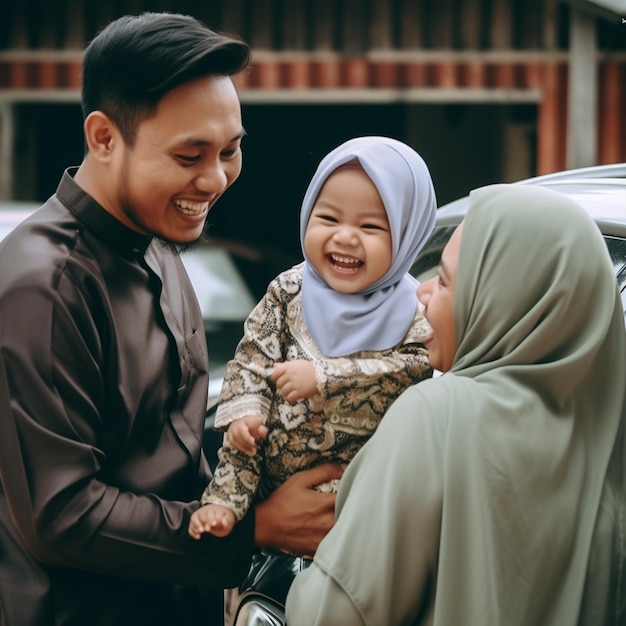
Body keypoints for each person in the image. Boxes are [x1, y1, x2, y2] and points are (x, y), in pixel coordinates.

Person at [0, 12, 342, 626]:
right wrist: (254, 529)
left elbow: (174, 456)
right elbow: (62, 515)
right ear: (104, 138)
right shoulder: (43, 288)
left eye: (231, 150)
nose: (215, 179)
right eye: (190, 154)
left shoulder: (160, 248)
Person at [285, 183, 626, 625]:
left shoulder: (435, 416)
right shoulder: (606, 458)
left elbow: (331, 615)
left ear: (500, 304)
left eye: (444, 280)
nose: (421, 292)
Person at [188, 136, 437, 540]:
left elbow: (415, 369)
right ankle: (225, 503)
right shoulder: (288, 290)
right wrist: (244, 413)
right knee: (243, 444)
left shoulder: (416, 310)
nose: (344, 237)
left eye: (370, 226)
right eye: (328, 219)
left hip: (362, 492)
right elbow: (252, 356)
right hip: (273, 482)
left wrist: (322, 376)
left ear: (408, 233)